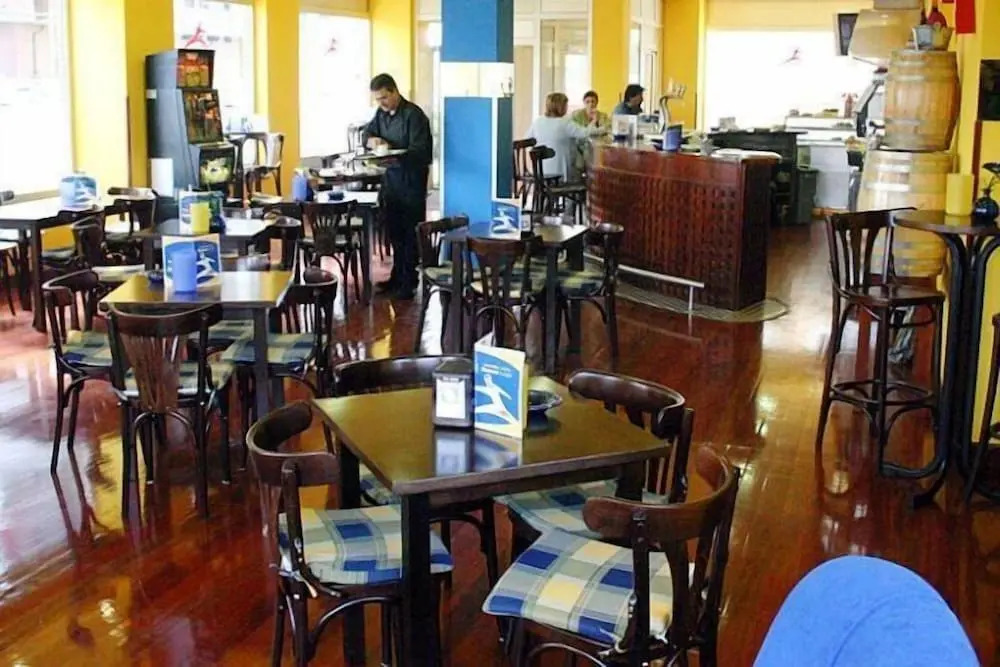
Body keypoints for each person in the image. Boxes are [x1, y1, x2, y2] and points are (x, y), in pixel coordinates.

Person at [362, 73, 432, 300]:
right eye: (377, 100)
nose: (381, 103)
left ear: (394, 91)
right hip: (391, 182)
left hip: (411, 182)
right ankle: (396, 276)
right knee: (394, 232)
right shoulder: (381, 114)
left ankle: (409, 281)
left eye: (384, 98)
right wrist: (372, 141)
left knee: (409, 233)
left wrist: (396, 155)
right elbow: (367, 133)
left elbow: (421, 152)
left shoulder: (414, 116)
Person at [526, 92, 601, 183]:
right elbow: (585, 133)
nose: (567, 108)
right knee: (583, 172)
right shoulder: (564, 123)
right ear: (561, 107)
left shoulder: (538, 121)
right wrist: (594, 121)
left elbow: (527, 140)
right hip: (562, 173)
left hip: (540, 172)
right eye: (566, 105)